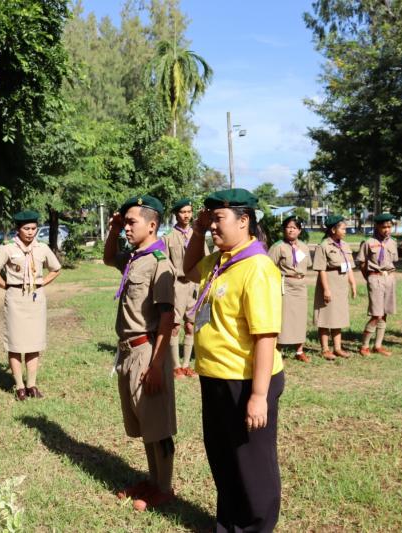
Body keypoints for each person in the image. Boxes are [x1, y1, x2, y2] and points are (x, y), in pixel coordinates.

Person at [182, 188, 284, 532]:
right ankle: (229, 524)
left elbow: (265, 336)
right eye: (210, 219)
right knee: (224, 458)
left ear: (244, 222)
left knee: (252, 464)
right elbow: (188, 269)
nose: (212, 226)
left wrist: (258, 396)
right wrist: (197, 231)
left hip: (246, 379)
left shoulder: (257, 267)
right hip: (215, 376)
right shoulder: (221, 261)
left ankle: (256, 526)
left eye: (218, 219)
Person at [103, 195, 176, 512]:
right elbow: (109, 258)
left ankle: (165, 487)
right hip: (129, 351)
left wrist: (157, 365)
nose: (127, 228)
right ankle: (152, 479)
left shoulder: (160, 263)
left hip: (148, 350)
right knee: (145, 422)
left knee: (158, 425)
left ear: (152, 224)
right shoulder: (136, 257)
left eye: (131, 222)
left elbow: (166, 317)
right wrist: (114, 230)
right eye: (126, 223)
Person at [0, 210, 61, 401]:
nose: (30, 232)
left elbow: (56, 268)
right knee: (15, 343)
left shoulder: (42, 248)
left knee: (34, 343)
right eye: (26, 228)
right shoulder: (7, 248)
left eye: (33, 228)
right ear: (18, 229)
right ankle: (19, 386)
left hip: (35, 298)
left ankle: (32, 385)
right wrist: (7, 285)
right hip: (16, 298)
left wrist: (43, 282)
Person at [163, 198, 208, 378]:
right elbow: (164, 262)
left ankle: (186, 364)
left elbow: (206, 257)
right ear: (176, 214)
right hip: (177, 285)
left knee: (191, 325)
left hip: (194, 286)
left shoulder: (197, 235)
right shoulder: (168, 237)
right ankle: (175, 366)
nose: (186, 215)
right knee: (175, 325)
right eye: (183, 212)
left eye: (189, 211)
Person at [312, 215, 357, 360]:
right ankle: (325, 349)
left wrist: (353, 284)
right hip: (329, 284)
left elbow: (349, 266)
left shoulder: (345, 245)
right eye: (343, 228)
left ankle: (337, 348)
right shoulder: (323, 246)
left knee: (338, 317)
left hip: (341, 286)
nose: (345, 231)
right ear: (333, 230)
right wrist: (326, 289)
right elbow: (321, 269)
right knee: (325, 317)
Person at [268, 215, 312, 362]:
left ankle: (299, 350)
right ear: (284, 229)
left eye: (294, 227)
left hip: (300, 285)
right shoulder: (278, 247)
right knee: (284, 318)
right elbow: (268, 267)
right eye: (288, 227)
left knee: (300, 317)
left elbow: (307, 265)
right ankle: (278, 351)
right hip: (285, 285)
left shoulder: (304, 247)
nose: (291, 230)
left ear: (299, 230)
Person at [356, 214, 398, 356]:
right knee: (376, 314)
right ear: (377, 227)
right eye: (383, 227)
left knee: (384, 313)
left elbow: (394, 261)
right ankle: (365, 345)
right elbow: (361, 262)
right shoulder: (368, 242)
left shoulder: (393, 242)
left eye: (389, 226)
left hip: (389, 278)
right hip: (375, 278)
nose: (387, 229)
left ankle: (378, 345)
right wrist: (368, 278)